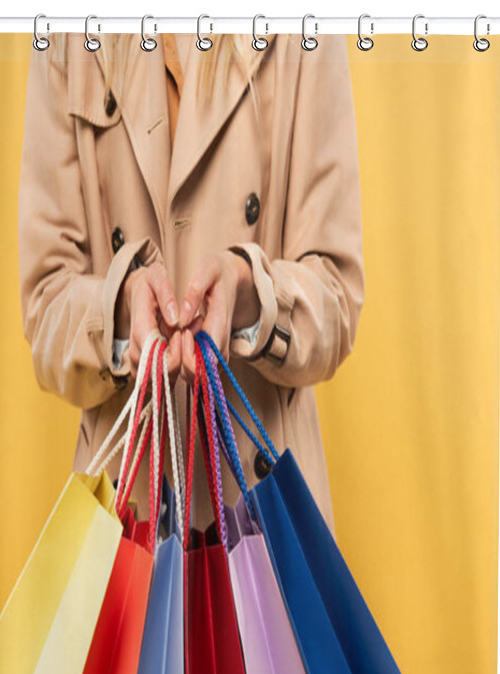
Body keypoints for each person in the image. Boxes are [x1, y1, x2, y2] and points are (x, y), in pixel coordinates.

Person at [18, 31, 364, 535]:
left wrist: (250, 294)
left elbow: (336, 296)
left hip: (263, 519)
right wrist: (119, 308)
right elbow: (45, 304)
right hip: (126, 518)